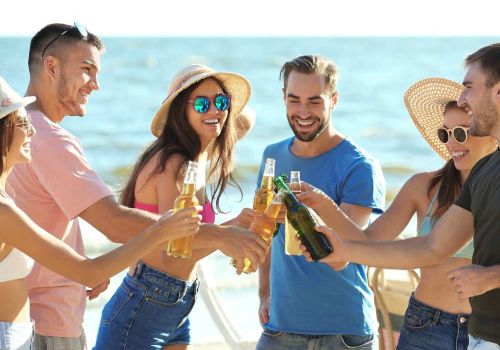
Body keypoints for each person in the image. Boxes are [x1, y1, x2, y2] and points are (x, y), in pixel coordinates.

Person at [6, 23, 261, 350]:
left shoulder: (19, 131)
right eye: (87, 70)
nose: (96, 85)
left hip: (37, 310)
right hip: (47, 320)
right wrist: (224, 236)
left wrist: (77, 268)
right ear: (52, 66)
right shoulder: (50, 140)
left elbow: (32, 222)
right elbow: (115, 223)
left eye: (221, 103)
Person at [300, 44, 500, 349]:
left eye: (469, 87)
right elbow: (430, 247)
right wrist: (342, 247)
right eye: (445, 134)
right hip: (451, 330)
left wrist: (489, 277)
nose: (462, 99)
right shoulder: (476, 176)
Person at [0, 77, 201, 350]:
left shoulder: (7, 199)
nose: (32, 132)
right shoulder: (3, 211)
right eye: (23, 123)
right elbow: (89, 272)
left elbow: (72, 265)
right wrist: (159, 230)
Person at [94, 64, 269, 349]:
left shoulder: (199, 154)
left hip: (176, 306)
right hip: (144, 307)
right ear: (180, 111)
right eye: (201, 103)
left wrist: (233, 228)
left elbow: (246, 119)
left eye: (221, 101)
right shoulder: (174, 163)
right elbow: (173, 250)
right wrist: (227, 234)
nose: (214, 110)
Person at [255, 55, 386, 350]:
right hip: (279, 329)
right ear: (283, 98)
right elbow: (265, 232)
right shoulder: (272, 156)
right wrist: (264, 293)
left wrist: (320, 205)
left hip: (344, 334)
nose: (303, 112)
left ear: (334, 99)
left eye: (314, 101)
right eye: (294, 100)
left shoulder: (359, 165)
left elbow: (354, 247)